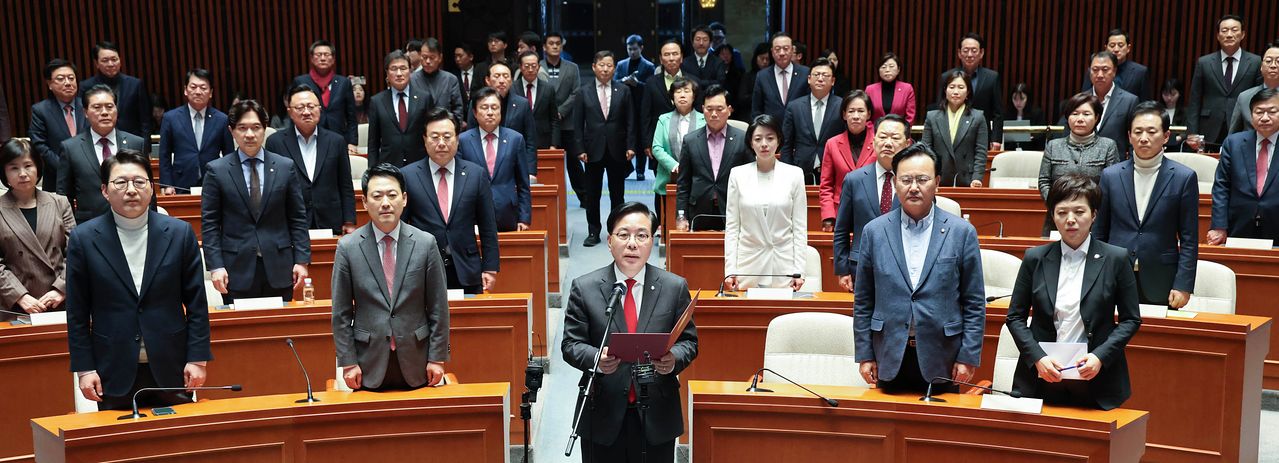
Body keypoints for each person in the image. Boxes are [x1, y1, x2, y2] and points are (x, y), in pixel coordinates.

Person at [66, 150, 211, 411]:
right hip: (112, 366)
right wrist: (84, 369)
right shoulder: (84, 239)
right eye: (120, 182)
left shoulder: (180, 234)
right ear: (104, 191)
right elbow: (77, 313)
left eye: (139, 182)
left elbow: (197, 304)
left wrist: (198, 359)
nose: (131, 189)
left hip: (172, 366)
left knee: (177, 444)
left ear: (152, 189)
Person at [561, 201, 698, 463]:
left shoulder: (674, 287)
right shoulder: (585, 288)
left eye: (642, 235)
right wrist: (596, 359)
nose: (632, 243)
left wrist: (674, 360)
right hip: (602, 413)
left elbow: (689, 342)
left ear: (653, 240)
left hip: (656, 413)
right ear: (610, 240)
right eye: (624, 235)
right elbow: (571, 344)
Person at [853, 143, 985, 393]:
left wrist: (968, 356)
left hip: (943, 357)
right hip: (889, 355)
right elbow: (863, 300)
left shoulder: (962, 232)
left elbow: (974, 301)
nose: (913, 187)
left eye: (922, 179)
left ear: (936, 183)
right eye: (906, 180)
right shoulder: (874, 231)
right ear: (894, 184)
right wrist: (865, 354)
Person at [1005, 173, 1142, 410]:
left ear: (1094, 215)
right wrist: (1038, 357)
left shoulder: (1116, 259)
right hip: (1042, 377)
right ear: (1052, 216)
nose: (1071, 219)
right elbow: (1015, 318)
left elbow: (1131, 319)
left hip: (1096, 379)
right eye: (1062, 212)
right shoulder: (1034, 258)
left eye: (1079, 212)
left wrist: (1100, 357)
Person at [332, 163, 450, 391]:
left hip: (418, 359)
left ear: (404, 199)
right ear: (365, 202)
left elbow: (438, 307)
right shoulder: (348, 247)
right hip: (367, 363)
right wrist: (348, 362)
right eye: (377, 196)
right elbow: (341, 313)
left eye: (392, 195)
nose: (385, 203)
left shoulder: (426, 243)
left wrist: (437, 357)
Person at [202, 100, 310, 302]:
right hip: (235, 269)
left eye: (256, 127)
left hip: (280, 266)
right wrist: (216, 266)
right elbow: (210, 224)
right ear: (231, 131)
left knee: (281, 329)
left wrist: (302, 261)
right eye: (242, 128)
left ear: (265, 129)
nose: (249, 134)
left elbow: (297, 218)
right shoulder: (217, 171)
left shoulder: (285, 167)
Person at [1095, 101, 1199, 307]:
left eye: (1151, 132)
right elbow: (1099, 232)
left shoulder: (1183, 177)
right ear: (1129, 136)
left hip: (1161, 279)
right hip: (1114, 276)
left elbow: (1189, 239)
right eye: (1138, 132)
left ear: (1166, 136)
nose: (1144, 138)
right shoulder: (1110, 175)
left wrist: (1183, 285)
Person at [403, 107, 500, 293]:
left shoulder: (475, 175)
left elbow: (488, 226)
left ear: (457, 139)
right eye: (434, 137)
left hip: (467, 269)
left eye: (447, 137)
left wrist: (490, 267)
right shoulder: (408, 176)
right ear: (424, 140)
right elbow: (401, 227)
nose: (441, 143)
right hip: (422, 270)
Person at [724, 115, 807, 291]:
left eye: (770, 138)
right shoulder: (737, 175)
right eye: (758, 138)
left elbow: (799, 228)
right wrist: (730, 270)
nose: (764, 144)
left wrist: (799, 270)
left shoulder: (795, 174)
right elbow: (732, 227)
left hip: (783, 264)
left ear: (779, 141)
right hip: (748, 263)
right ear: (750, 143)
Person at [832, 114, 910, 291]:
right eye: (882, 137)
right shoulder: (854, 180)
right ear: (873, 141)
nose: (888, 143)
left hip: (904, 266)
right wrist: (842, 270)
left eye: (895, 138)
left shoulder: (913, 182)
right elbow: (842, 229)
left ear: (907, 144)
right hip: (861, 266)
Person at [0, 139, 76, 322]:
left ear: (38, 168)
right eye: (14, 168)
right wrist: (20, 296)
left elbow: (76, 252)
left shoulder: (60, 203)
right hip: (16, 305)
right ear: (4, 172)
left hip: (60, 301)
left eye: (28, 165)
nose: (23, 174)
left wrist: (60, 289)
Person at [265, 85, 356, 235]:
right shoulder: (275, 142)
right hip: (290, 221)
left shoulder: (336, 141)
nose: (306, 112)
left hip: (331, 220)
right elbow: (272, 188)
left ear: (319, 109)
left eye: (311, 106)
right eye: (300, 107)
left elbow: (345, 184)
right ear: (290, 112)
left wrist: (349, 221)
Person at [59, 84, 146, 223]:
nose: (104, 112)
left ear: (117, 110)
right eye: (97, 107)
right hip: (89, 224)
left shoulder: (135, 143)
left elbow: (148, 188)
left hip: (132, 221)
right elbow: (64, 196)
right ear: (85, 112)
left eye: (109, 106)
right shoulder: (70, 148)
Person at [576, 51, 637, 247]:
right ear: (594, 67)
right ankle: (593, 231)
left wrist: (630, 146)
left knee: (617, 193)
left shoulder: (623, 90)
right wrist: (579, 148)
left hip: (617, 148)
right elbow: (577, 124)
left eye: (609, 65)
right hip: (592, 149)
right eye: (601, 65)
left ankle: (617, 230)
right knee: (592, 194)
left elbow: (630, 121)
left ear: (614, 68)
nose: (605, 69)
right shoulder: (583, 91)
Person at [1039, 92, 1120, 234]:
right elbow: (1044, 181)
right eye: (1075, 113)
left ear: (1097, 118)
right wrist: (1058, 205)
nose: (1080, 119)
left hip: (1095, 219)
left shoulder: (1108, 146)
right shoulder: (1053, 146)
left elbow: (1112, 184)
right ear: (1067, 117)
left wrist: (1092, 209)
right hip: (1058, 219)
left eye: (1086, 114)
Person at [1209, 88, 1279, 245]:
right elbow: (1221, 186)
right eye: (1259, 112)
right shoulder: (1233, 143)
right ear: (1251, 115)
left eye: (1272, 112)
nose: (1265, 118)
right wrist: (1219, 226)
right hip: (1238, 224)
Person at [675, 84, 750, 231]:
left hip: (733, 209)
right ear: (703, 109)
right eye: (709, 109)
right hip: (699, 211)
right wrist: (681, 216)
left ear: (729, 110)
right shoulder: (691, 140)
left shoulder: (742, 139)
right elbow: (683, 184)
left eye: (719, 109)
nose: (714, 114)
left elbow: (751, 178)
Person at [457, 87, 531, 232]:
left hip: (507, 212)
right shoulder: (463, 141)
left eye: (494, 107)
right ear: (475, 113)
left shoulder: (515, 139)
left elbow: (523, 184)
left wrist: (524, 217)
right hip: (472, 214)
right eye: (484, 108)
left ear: (501, 111)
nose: (490, 112)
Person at [1187, 14, 1262, 149]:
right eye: (1224, 30)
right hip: (1209, 126)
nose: (1229, 34)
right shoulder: (1204, 62)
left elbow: (1259, 97)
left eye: (1234, 30)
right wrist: (1192, 132)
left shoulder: (1255, 62)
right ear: (1218, 35)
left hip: (1243, 125)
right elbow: (1194, 100)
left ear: (1243, 34)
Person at [158, 68, 235, 195]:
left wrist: (228, 183)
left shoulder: (222, 119)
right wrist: (167, 184)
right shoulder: (170, 118)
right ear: (185, 90)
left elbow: (229, 155)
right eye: (193, 87)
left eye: (203, 88)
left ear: (210, 92)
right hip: (180, 183)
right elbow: (164, 155)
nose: (198, 92)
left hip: (214, 182)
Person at [818, 90, 877, 232]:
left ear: (868, 114)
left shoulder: (878, 142)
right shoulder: (832, 144)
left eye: (861, 111)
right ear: (844, 115)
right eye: (851, 111)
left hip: (873, 214)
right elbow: (826, 185)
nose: (856, 116)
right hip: (841, 213)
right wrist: (828, 216)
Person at [650, 79, 703, 235]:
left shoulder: (703, 119)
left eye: (687, 91)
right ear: (672, 98)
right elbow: (657, 148)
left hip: (696, 177)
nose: (682, 95)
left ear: (694, 97)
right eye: (678, 92)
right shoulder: (663, 119)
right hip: (669, 177)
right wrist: (674, 166)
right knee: (669, 221)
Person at [935, 33, 1004, 150]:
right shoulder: (947, 77)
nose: (970, 54)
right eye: (966, 50)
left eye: (974, 50)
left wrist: (996, 139)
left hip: (981, 134)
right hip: (953, 133)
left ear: (981, 53)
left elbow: (998, 112)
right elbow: (940, 107)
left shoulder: (992, 77)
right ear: (959, 53)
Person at [468, 62, 537, 177]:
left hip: (514, 164)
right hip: (483, 163)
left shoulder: (522, 104)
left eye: (506, 76)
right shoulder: (477, 103)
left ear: (511, 81)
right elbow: (470, 136)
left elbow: (530, 140)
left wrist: (530, 171)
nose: (501, 80)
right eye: (497, 76)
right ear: (488, 80)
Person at [368, 50, 435, 168]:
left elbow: (430, 133)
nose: (399, 73)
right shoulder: (377, 101)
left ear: (410, 70)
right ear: (387, 73)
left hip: (419, 163)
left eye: (403, 68)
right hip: (389, 165)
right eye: (394, 69)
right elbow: (373, 142)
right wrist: (372, 170)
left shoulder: (424, 98)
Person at [921, 70, 989, 187]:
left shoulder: (978, 117)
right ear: (945, 90)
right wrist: (929, 176)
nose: (956, 92)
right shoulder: (932, 117)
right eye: (952, 87)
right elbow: (926, 150)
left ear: (968, 92)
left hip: (967, 179)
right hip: (938, 179)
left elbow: (981, 152)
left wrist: (977, 178)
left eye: (961, 87)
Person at [781, 57, 843, 183]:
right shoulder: (794, 107)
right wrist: (787, 171)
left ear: (833, 81)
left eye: (825, 75)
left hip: (834, 168)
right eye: (816, 74)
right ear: (809, 79)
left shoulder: (842, 106)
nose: (820, 78)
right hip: (800, 169)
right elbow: (786, 144)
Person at [29, 59, 86, 193]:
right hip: (57, 178)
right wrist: (65, 168)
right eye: (60, 79)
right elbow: (40, 146)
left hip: (89, 176)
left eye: (71, 78)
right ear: (49, 84)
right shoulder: (40, 110)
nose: (68, 83)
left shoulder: (88, 106)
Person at [641, 40, 697, 172]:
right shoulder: (651, 83)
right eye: (667, 54)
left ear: (681, 57)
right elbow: (645, 115)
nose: (671, 58)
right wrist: (647, 143)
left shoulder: (693, 81)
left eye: (675, 54)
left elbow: (699, 110)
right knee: (661, 184)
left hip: (690, 139)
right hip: (660, 142)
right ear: (661, 58)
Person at [80, 41, 152, 142]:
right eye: (105, 60)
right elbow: (83, 120)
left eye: (114, 59)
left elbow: (145, 121)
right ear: (96, 63)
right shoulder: (86, 86)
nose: (110, 64)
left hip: (131, 143)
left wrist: (144, 147)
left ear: (120, 60)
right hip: (98, 142)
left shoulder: (135, 84)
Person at [292, 40, 359, 147]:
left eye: (326, 55)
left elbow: (351, 116)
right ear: (312, 58)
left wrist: (353, 142)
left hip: (339, 138)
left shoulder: (343, 82)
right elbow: (294, 112)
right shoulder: (301, 81)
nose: (322, 58)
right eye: (318, 55)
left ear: (333, 59)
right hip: (308, 137)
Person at [542, 32, 584, 202]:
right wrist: (551, 113)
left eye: (557, 43)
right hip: (546, 123)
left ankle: (584, 197)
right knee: (547, 162)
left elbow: (576, 93)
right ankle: (548, 198)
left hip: (567, 122)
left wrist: (561, 111)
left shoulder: (572, 67)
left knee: (574, 163)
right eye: (551, 43)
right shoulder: (537, 67)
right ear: (544, 47)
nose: (554, 46)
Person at [1075, 51, 1139, 157]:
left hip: (1116, 165)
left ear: (1114, 71)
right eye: (1095, 70)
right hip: (1082, 164)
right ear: (1089, 72)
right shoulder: (1080, 100)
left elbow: (1134, 138)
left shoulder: (1130, 101)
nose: (1100, 75)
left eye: (1105, 70)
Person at [616, 35, 655, 180]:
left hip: (641, 105)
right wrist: (624, 81)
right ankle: (627, 167)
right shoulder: (621, 65)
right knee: (624, 136)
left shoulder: (649, 66)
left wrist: (637, 84)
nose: (632, 52)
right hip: (624, 105)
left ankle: (640, 170)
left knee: (640, 139)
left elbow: (651, 87)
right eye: (629, 49)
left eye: (635, 49)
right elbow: (615, 82)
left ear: (641, 48)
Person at [751, 33, 810, 120]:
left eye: (786, 49)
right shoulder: (762, 76)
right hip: (771, 130)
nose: (782, 53)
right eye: (777, 49)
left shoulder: (805, 73)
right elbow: (756, 110)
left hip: (799, 130)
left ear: (792, 50)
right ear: (772, 52)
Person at [1082, 28, 1150, 100]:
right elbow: (1085, 97)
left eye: (1120, 45)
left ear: (1128, 48)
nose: (1116, 49)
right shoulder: (1095, 69)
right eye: (1112, 45)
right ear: (1106, 48)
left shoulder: (1140, 72)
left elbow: (1145, 103)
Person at [1228, 40, 1279, 134]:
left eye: (1278, 61)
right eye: (1268, 61)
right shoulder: (1244, 97)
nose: (1273, 65)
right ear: (1261, 66)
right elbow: (1232, 137)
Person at [410, 38, 465, 122]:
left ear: (440, 58)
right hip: (419, 131)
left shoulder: (450, 80)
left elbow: (458, 111)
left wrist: (453, 131)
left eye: (432, 57)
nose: (428, 61)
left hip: (445, 129)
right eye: (424, 57)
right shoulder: (411, 79)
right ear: (420, 56)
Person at [516, 50, 561, 152]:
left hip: (543, 142)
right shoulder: (512, 89)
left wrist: (554, 145)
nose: (531, 69)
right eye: (527, 66)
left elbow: (554, 119)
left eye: (534, 65)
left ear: (539, 67)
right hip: (519, 141)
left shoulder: (548, 89)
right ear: (520, 67)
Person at [865, 52, 917, 125]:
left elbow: (910, 117)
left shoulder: (907, 89)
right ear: (879, 70)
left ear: (898, 69)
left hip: (899, 133)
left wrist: (901, 132)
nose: (887, 70)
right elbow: (866, 115)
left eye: (891, 66)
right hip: (875, 134)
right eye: (883, 67)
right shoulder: (870, 89)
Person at [1003, 83, 1047, 151]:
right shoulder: (1007, 114)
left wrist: (1031, 137)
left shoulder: (1037, 113)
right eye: (1015, 99)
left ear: (1028, 98)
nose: (1018, 103)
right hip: (1010, 150)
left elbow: (1041, 135)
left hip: (1030, 150)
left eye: (1022, 99)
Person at [736, 43, 770, 121]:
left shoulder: (773, 77)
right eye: (762, 58)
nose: (765, 62)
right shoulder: (747, 76)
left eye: (767, 59)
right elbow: (742, 99)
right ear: (756, 58)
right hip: (749, 116)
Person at [1160, 78, 1188, 149]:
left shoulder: (1186, 112)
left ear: (1179, 94)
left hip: (1179, 148)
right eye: (1166, 94)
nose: (1169, 98)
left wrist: (1179, 138)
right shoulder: (1157, 111)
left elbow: (1188, 131)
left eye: (1173, 94)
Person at [455, 43, 481, 111]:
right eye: (455, 56)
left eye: (460, 56)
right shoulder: (453, 75)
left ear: (471, 57)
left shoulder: (480, 72)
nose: (457, 59)